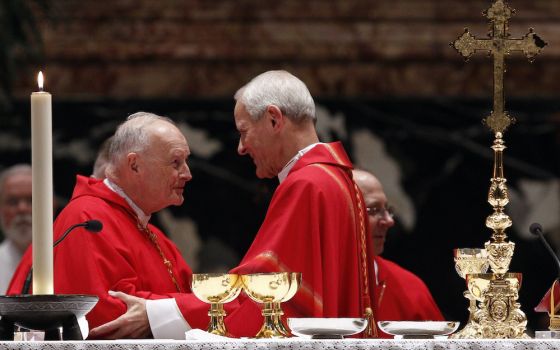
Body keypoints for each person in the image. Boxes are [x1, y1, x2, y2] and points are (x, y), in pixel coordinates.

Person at [88, 70, 379, 339]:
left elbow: (265, 295)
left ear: (274, 119)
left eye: (244, 132)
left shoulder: (308, 185)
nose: (241, 148)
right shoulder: (338, 181)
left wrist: (156, 313)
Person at [7, 112, 205, 337]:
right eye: (176, 162)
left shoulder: (153, 234)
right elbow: (106, 317)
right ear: (134, 165)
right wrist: (178, 309)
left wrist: (172, 310)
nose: (187, 174)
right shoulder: (88, 220)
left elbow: (200, 303)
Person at [352, 169, 444, 337]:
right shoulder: (302, 286)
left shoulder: (409, 288)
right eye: (373, 210)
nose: (389, 221)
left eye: (388, 210)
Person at [0, 164, 32, 293]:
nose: (22, 209)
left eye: (31, 200)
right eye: (13, 201)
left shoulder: (68, 261)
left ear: (52, 205)